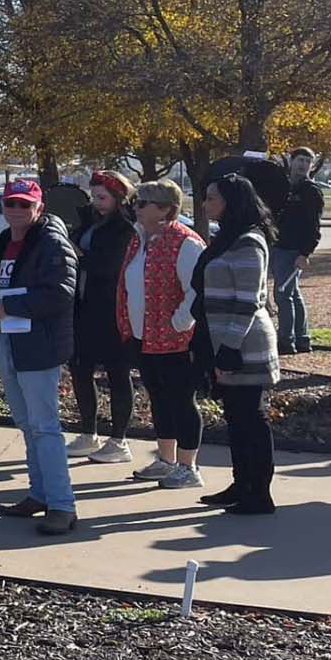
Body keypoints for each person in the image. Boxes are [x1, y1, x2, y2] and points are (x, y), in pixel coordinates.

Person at [0, 179, 80, 534]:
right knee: (27, 424)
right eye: (11, 203)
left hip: (40, 345)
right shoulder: (1, 242)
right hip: (8, 340)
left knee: (45, 427)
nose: (16, 210)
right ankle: (40, 494)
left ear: (39, 207)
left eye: (24, 204)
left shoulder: (52, 243)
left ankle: (62, 505)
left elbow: (61, 293)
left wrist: (8, 307)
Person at [192, 173, 281, 513]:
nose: (205, 204)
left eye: (212, 198)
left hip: (244, 343)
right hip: (222, 341)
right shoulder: (227, 238)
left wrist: (229, 347)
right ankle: (242, 483)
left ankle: (259, 493)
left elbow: (247, 301)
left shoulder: (249, 241)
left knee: (250, 418)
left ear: (232, 202)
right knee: (236, 417)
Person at [118, 180, 204, 480]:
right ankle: (166, 460)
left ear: (166, 209)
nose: (136, 208)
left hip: (177, 341)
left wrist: (179, 322)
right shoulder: (138, 238)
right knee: (158, 398)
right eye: (136, 202)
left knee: (181, 401)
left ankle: (188, 467)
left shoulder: (186, 242)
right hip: (144, 337)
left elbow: (197, 289)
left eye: (143, 203)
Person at [67, 171, 138, 460]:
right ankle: (88, 433)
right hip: (82, 306)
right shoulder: (88, 221)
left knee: (117, 371)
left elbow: (110, 266)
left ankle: (119, 439)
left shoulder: (125, 228)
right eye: (93, 196)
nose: (97, 202)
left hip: (111, 308)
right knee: (80, 368)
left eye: (102, 197)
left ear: (118, 198)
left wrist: (80, 256)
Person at [272, 147, 324, 355]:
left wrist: (305, 253)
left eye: (307, 161)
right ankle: (302, 339)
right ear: (291, 161)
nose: (303, 165)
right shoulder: (284, 187)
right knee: (292, 293)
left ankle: (286, 340)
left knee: (282, 294)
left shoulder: (311, 191)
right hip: (279, 246)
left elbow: (314, 227)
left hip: (294, 250)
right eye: (300, 160)